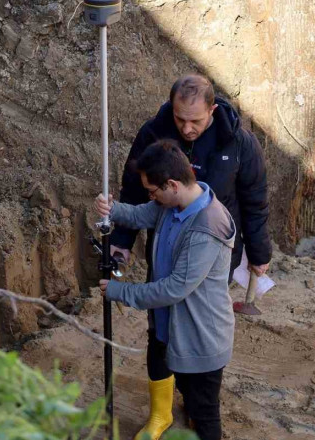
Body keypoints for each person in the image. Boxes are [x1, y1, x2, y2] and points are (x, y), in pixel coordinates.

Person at [109, 74, 272, 439]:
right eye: (180, 119)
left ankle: (199, 402)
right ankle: (161, 413)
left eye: (195, 121)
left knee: (197, 322)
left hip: (211, 249)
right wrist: (120, 238)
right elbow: (137, 193)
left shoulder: (238, 142)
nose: (186, 128)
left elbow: (255, 200)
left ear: (212, 110)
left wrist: (259, 253)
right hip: (167, 242)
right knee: (162, 330)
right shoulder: (154, 134)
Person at [96, 139, 235, 440]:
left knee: (204, 415)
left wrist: (120, 291)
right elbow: (139, 215)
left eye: (152, 190)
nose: (150, 197)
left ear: (172, 184)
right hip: (168, 326)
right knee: (164, 366)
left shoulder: (206, 227)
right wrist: (113, 208)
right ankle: (163, 415)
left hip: (200, 338)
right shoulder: (170, 205)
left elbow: (174, 289)